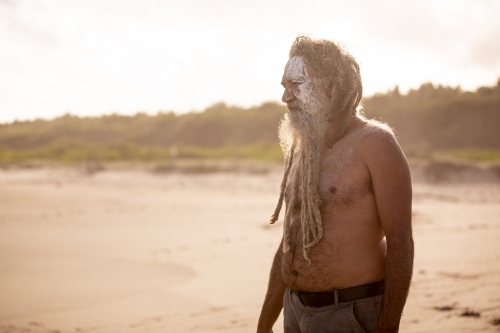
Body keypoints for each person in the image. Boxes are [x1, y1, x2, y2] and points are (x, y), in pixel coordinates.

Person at [256, 36, 414, 333]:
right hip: (294, 309)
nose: (285, 97)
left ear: (331, 87)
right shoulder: (304, 151)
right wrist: (264, 324)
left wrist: (388, 326)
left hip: (349, 313)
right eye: (284, 86)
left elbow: (400, 241)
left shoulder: (376, 144)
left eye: (296, 85)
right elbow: (289, 241)